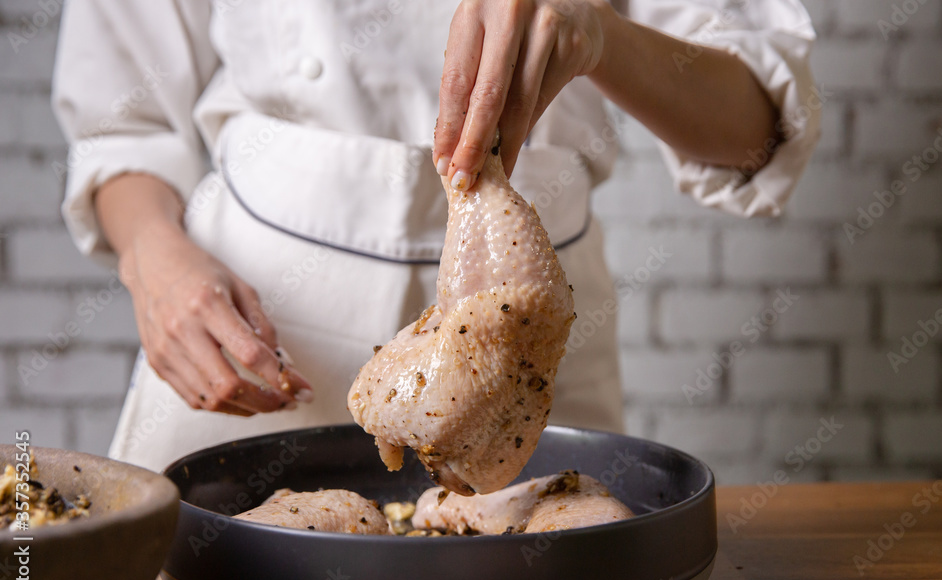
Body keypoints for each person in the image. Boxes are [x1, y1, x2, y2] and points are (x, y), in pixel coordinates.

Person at [52, 0, 819, 473]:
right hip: (256, 328)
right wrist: (155, 258)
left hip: (532, 322)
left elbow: (756, 131)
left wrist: (602, 35)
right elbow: (122, 124)